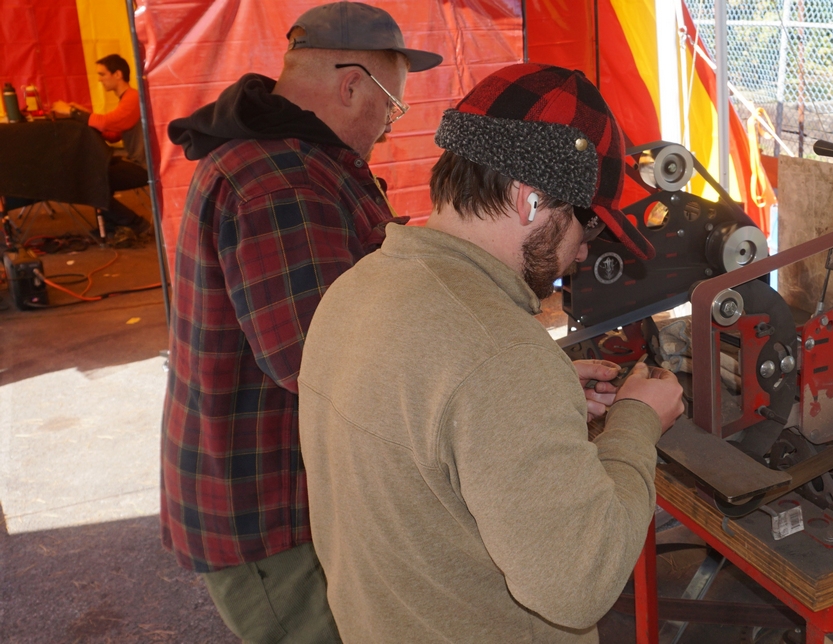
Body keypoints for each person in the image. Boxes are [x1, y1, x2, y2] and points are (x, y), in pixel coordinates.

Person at [298, 63, 686, 642]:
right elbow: (582, 582)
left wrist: (543, 395)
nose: (584, 250)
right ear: (531, 201)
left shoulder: (357, 289)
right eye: (586, 223)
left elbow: (434, 437)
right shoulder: (500, 356)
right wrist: (636, 422)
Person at [159, 3, 441, 642]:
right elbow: (319, 359)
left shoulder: (292, 160)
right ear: (351, 85)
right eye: (391, 108)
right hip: (268, 513)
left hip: (279, 497)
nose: (388, 129)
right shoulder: (283, 179)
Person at [54, 54, 151, 236]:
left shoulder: (132, 98)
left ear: (117, 74)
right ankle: (112, 225)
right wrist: (85, 114)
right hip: (138, 162)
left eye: (102, 74)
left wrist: (73, 112)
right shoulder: (127, 99)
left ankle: (136, 224)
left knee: (89, 183)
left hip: (144, 166)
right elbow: (113, 134)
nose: (99, 79)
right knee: (96, 177)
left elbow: (106, 122)